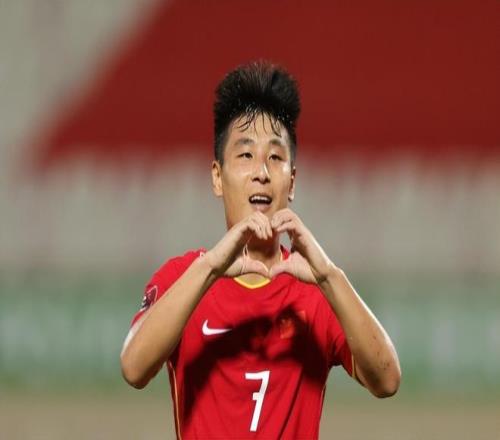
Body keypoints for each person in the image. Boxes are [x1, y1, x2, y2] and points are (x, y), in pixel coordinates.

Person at [120, 61, 401, 439]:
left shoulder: (317, 289)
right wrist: (210, 267)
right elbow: (134, 368)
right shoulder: (183, 277)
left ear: (292, 181)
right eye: (246, 155)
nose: (262, 173)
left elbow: (387, 380)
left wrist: (329, 275)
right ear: (217, 177)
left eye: (276, 157)